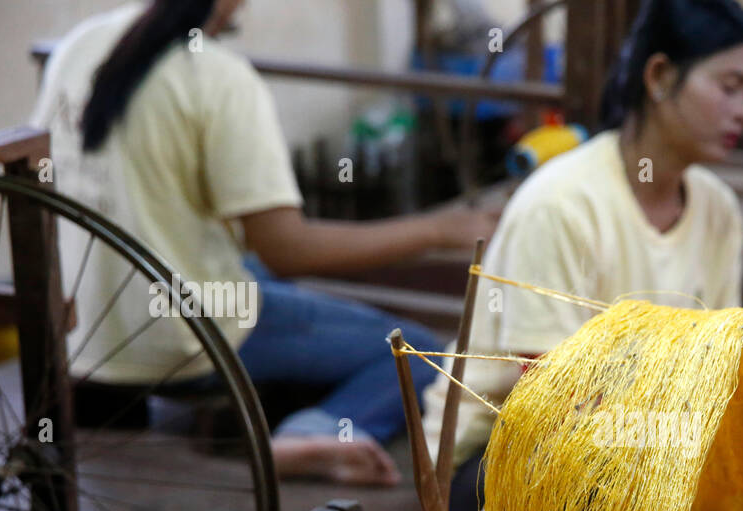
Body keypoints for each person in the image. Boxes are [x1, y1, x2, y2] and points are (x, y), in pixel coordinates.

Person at [30, 0, 496, 486]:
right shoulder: (215, 75)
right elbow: (288, 250)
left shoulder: (78, 45)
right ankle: (306, 437)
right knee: (419, 353)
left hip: (80, 333)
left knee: (257, 274)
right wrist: (439, 230)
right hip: (184, 341)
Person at [422, 0, 743, 511]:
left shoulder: (718, 210)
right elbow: (554, 400)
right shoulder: (561, 204)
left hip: (641, 446)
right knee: (598, 497)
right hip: (504, 457)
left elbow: (716, 368)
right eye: (729, 86)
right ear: (660, 77)